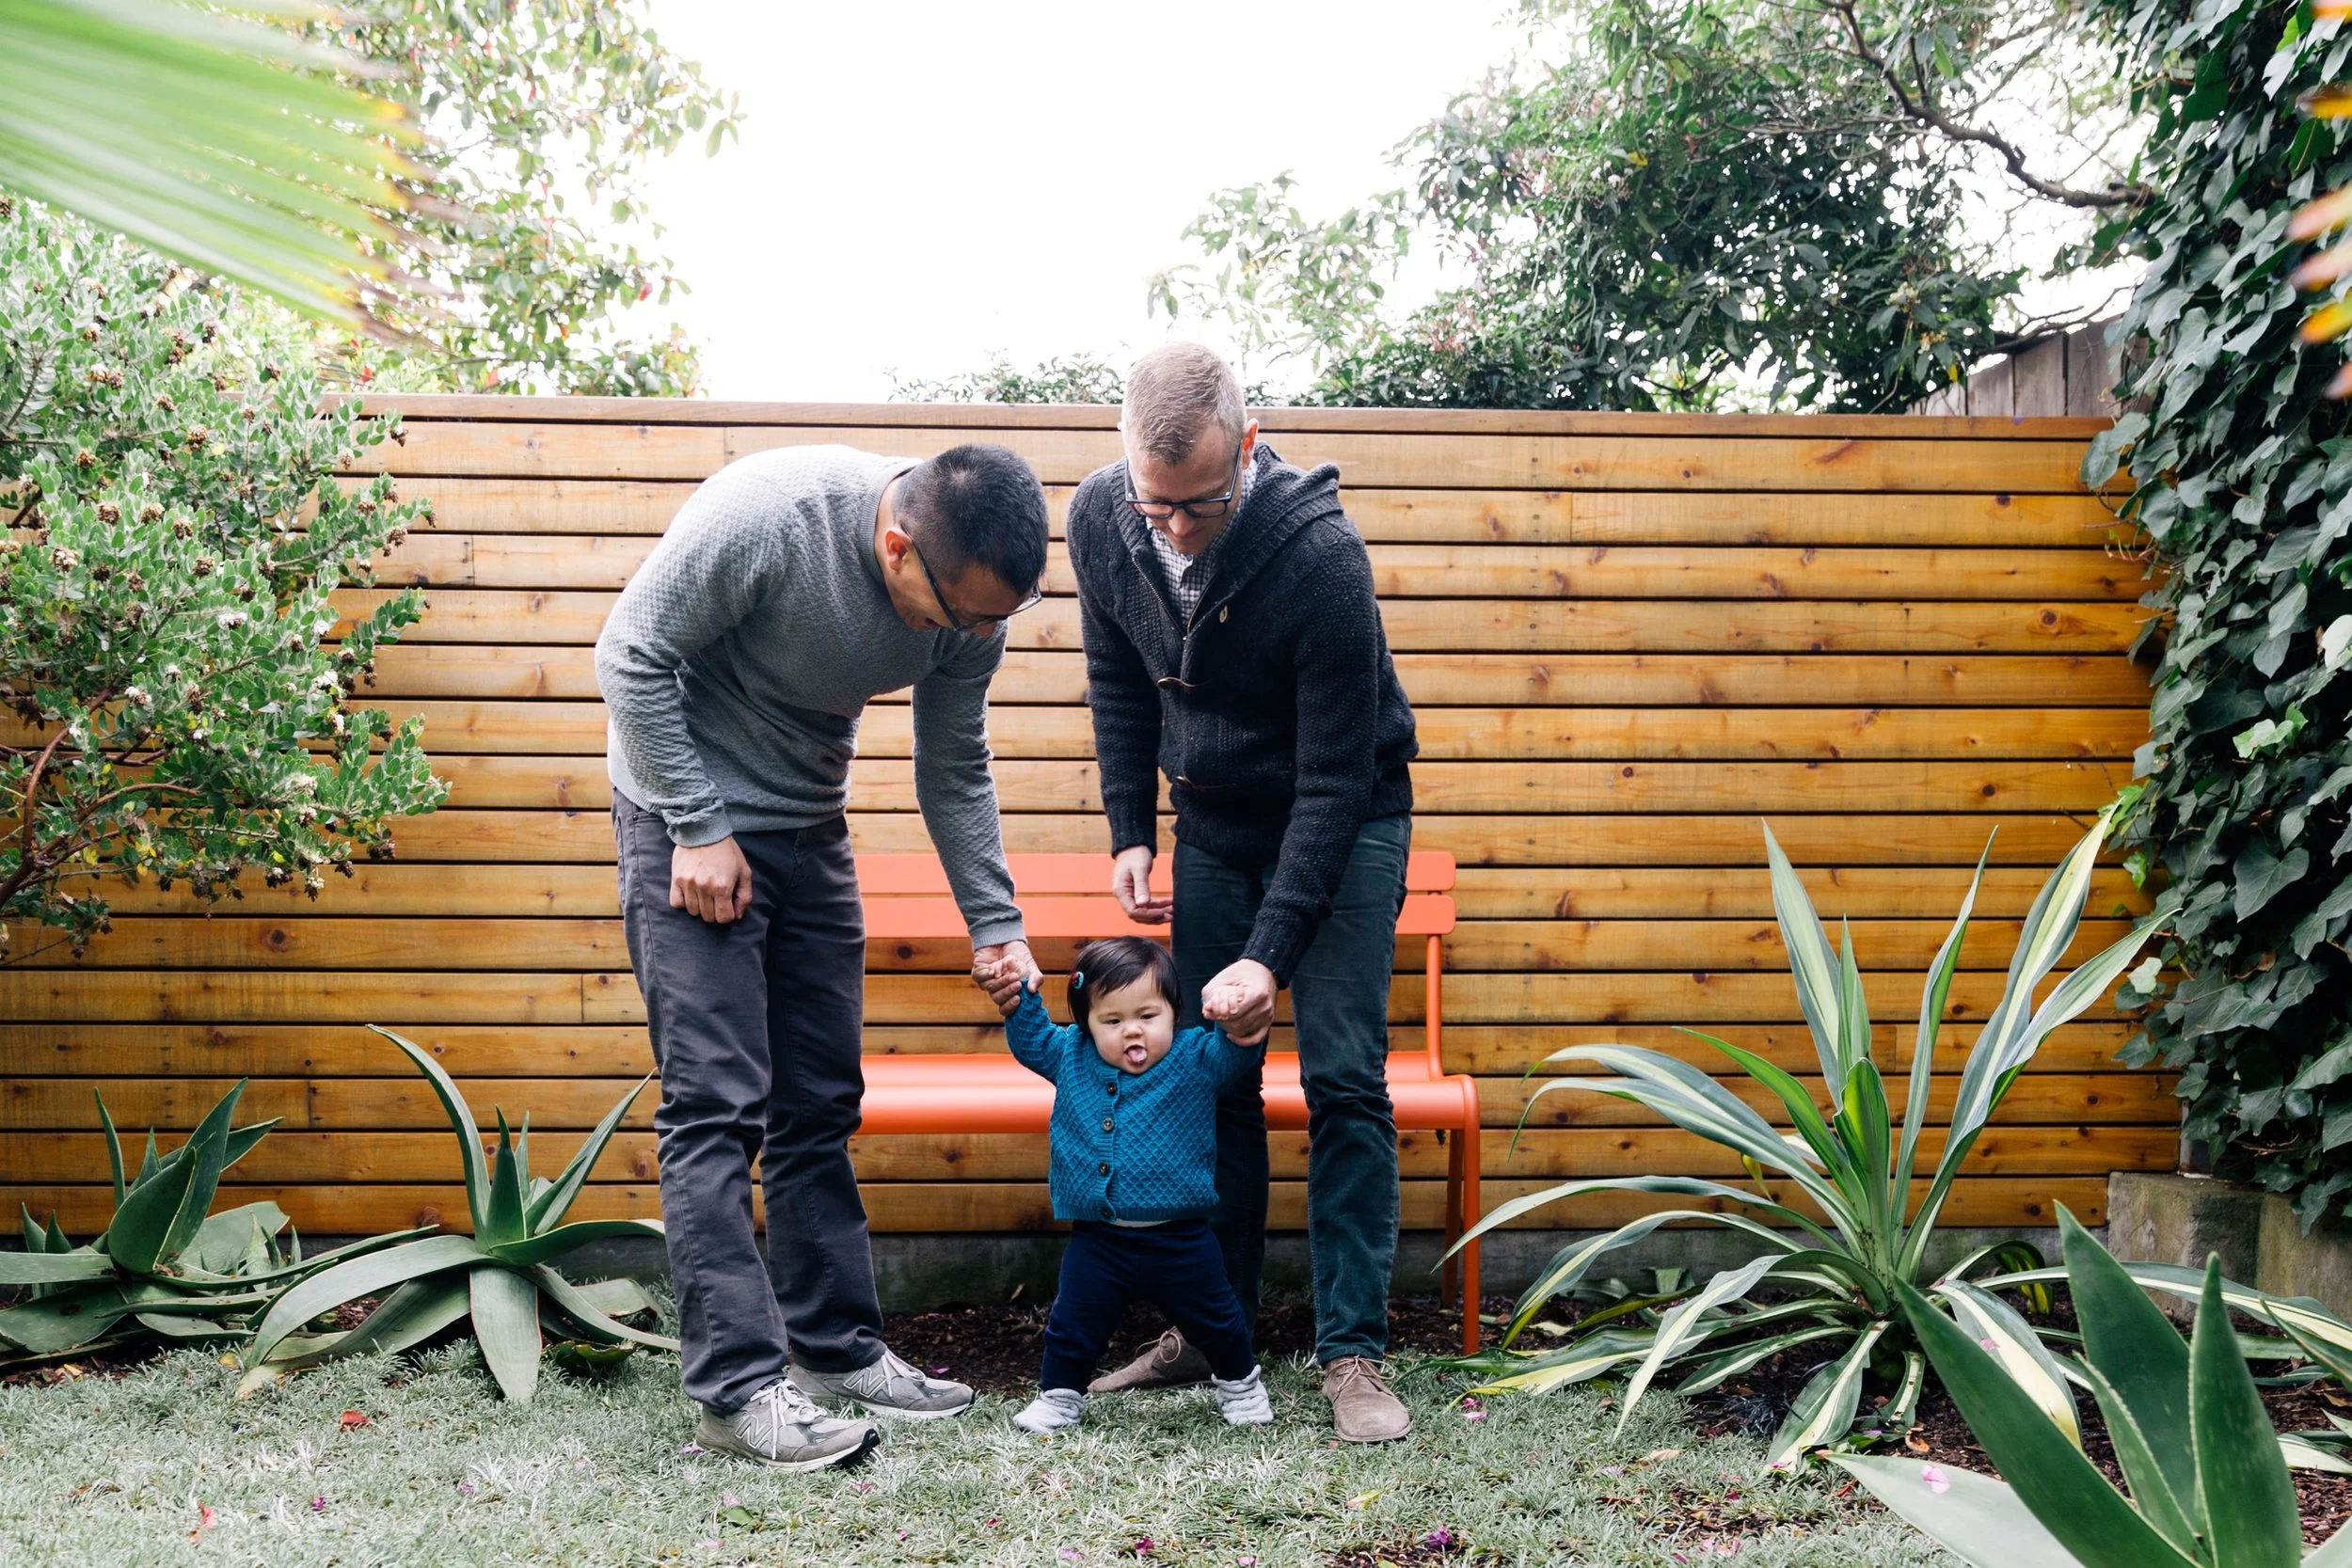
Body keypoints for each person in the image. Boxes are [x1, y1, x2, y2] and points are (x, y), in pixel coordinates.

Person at [596, 440, 1050, 1470]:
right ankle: (734, 1393)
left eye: (1000, 616)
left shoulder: (975, 608)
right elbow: (628, 652)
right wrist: (697, 825)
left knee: (819, 1098)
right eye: (963, 614)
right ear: (897, 548)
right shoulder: (768, 517)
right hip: (686, 821)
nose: (979, 635)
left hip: (806, 821)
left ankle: (835, 1351)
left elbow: (954, 762)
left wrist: (995, 920)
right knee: (716, 1102)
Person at [1056, 342, 1421, 1443]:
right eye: (1153, 501)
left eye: (1200, 503)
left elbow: (1333, 779)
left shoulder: (1321, 558)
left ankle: (1351, 1350)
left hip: (1345, 818)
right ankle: (1218, 1335)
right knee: (1213, 1080)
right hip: (1211, 822)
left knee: (1345, 1078)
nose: (1173, 528)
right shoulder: (1101, 516)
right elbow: (1116, 674)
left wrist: (1269, 951)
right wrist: (1130, 823)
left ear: (1248, 447)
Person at [995, 937, 1275, 1435]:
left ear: (1174, 1013)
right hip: (1099, 1239)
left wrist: (1235, 1017)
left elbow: (1237, 1051)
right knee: (1073, 1322)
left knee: (1218, 1318)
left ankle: (1240, 1385)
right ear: (1087, 1024)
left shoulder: (1196, 1056)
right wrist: (1020, 992)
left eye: (1148, 1015)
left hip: (1181, 1238)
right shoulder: (1070, 1054)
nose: (1132, 1030)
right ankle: (1058, 1397)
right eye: (1111, 1020)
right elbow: (1032, 1038)